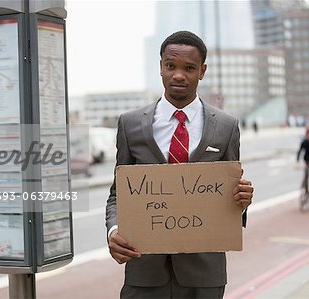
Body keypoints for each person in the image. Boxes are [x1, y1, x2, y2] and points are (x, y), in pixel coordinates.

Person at [105, 31, 254, 299]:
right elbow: (118, 194)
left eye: (189, 68)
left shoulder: (226, 127)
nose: (178, 75)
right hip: (144, 271)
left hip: (204, 275)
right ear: (160, 66)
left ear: (202, 71)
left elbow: (229, 201)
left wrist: (241, 200)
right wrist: (114, 231)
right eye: (170, 66)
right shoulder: (130, 125)